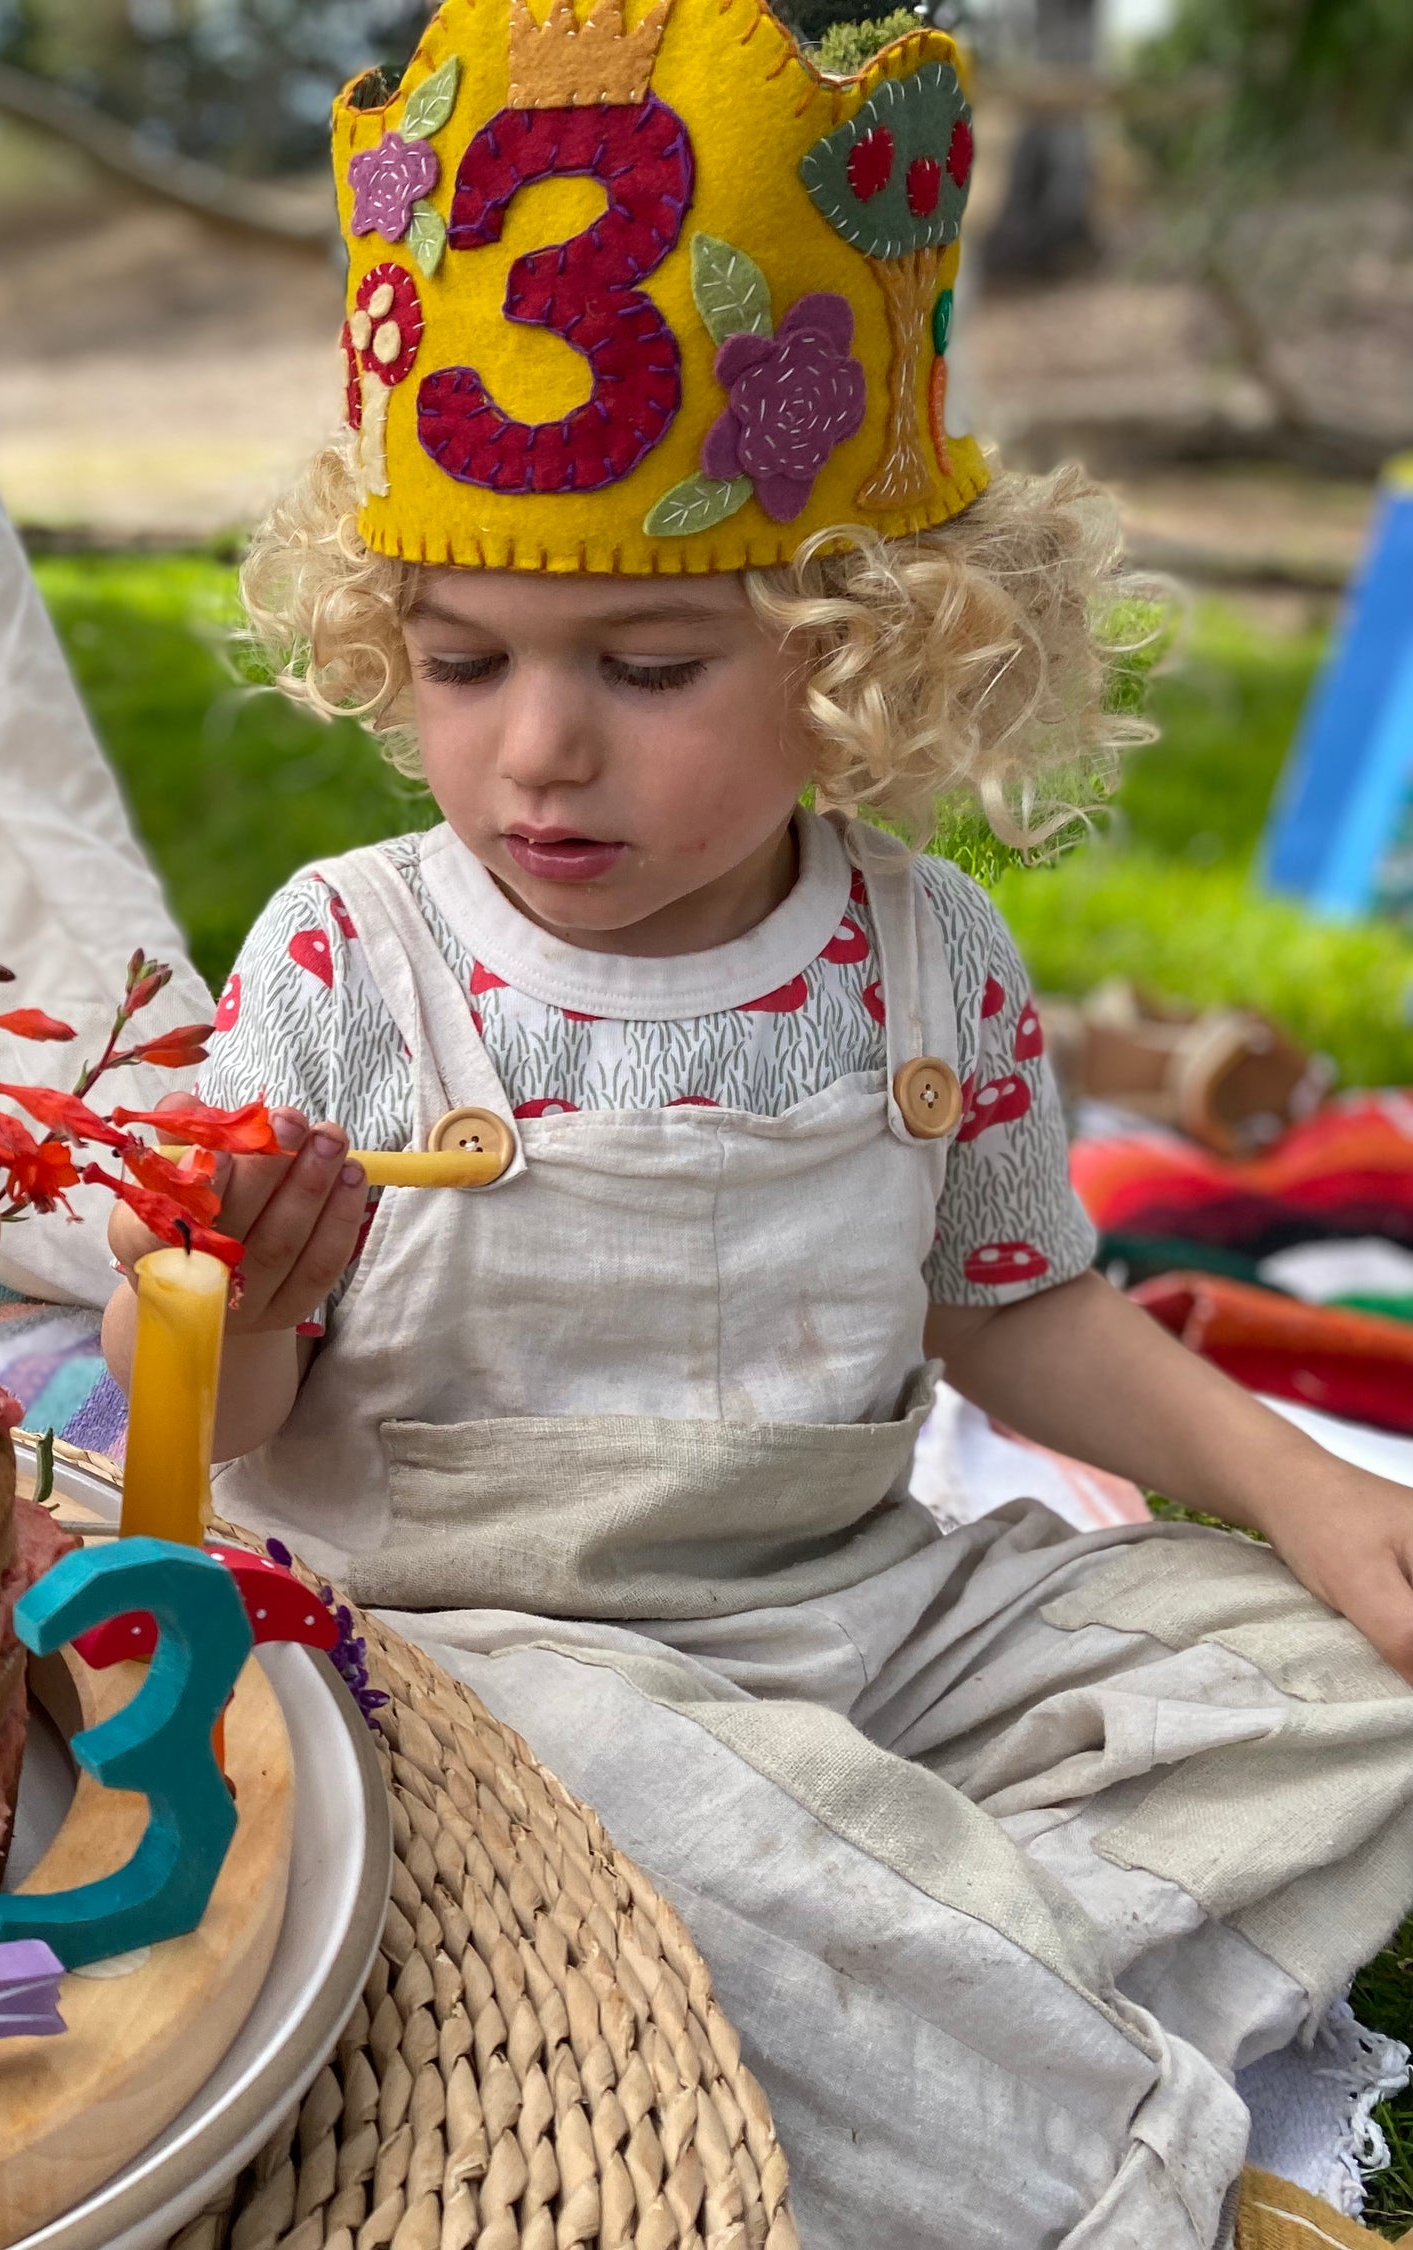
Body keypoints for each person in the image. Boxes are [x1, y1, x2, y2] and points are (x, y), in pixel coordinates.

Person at [99, 5, 1413, 2243]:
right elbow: (220, 1427)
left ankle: (810, 1995)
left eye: (648, 668)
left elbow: (1027, 1317)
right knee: (640, 1789)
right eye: (461, 658)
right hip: (477, 1667)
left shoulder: (923, 960)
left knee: (1325, 1698)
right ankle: (1075, 2132)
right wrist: (246, 1304)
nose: (538, 757)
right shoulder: (344, 960)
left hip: (860, 1627)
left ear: (857, 650)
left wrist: (1315, 1490)